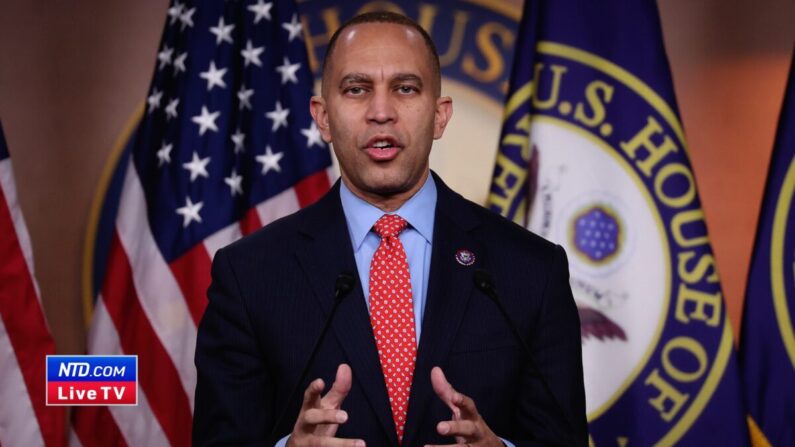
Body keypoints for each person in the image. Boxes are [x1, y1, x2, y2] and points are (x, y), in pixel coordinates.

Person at [193, 11, 587, 447]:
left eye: (405, 88)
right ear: (322, 117)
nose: (381, 112)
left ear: (440, 115)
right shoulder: (249, 274)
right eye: (357, 89)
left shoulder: (532, 269)